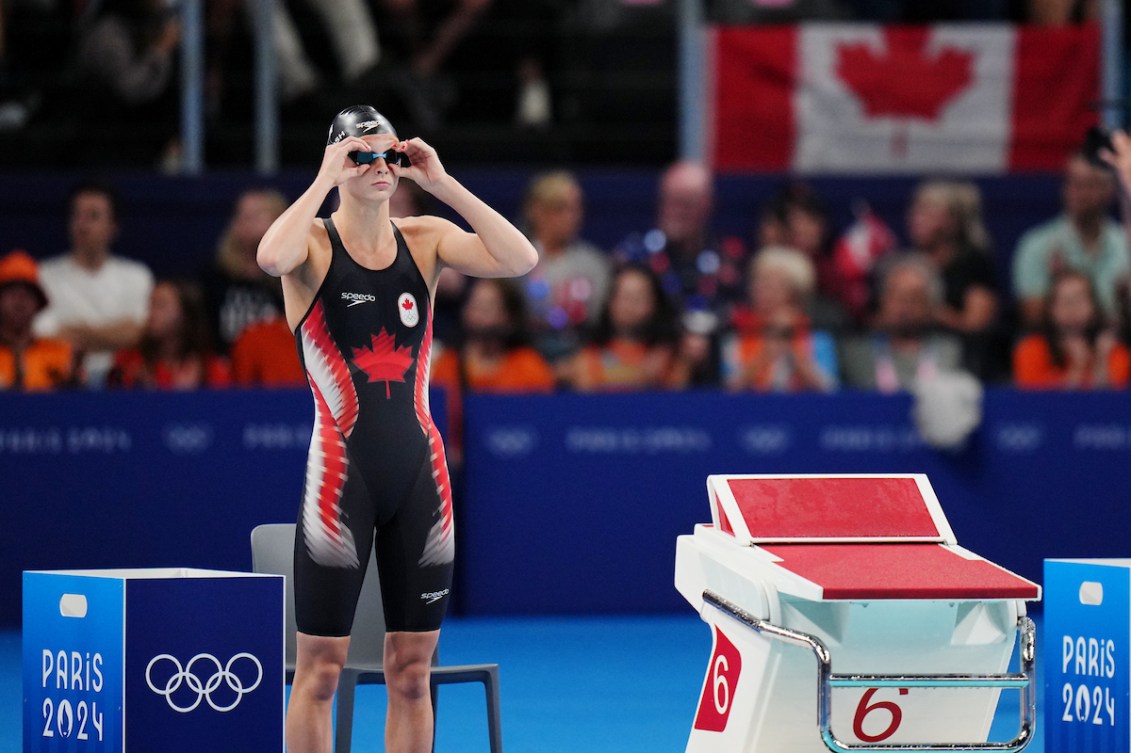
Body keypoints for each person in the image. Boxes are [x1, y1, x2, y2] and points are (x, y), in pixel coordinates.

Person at [255, 104, 536, 753]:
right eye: (361, 155)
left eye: (388, 154)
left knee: (412, 674)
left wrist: (441, 181)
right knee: (320, 670)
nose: (378, 166)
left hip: (420, 473)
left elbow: (520, 258)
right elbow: (271, 256)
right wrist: (326, 175)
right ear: (336, 163)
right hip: (339, 477)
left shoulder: (426, 236)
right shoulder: (313, 245)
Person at [33, 181, 154, 388]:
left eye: (93, 216)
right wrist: (115, 333)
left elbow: (140, 333)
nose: (82, 224)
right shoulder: (43, 275)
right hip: (59, 384)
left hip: (123, 385)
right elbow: (43, 335)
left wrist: (74, 332)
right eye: (77, 215)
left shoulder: (137, 276)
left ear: (113, 227)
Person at [431, 277, 554, 461]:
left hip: (517, 461)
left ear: (509, 318)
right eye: (474, 306)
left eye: (487, 309)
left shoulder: (529, 366)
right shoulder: (448, 364)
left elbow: (544, 427)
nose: (477, 316)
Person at [614, 160, 748, 321]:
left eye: (684, 203)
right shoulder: (635, 258)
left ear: (707, 205)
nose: (673, 211)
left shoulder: (729, 258)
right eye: (668, 200)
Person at [1012, 150, 1129, 330]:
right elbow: (1032, 319)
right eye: (1072, 182)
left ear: (1109, 189)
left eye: (1088, 184)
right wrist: (1059, 286)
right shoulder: (1037, 245)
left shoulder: (1125, 245)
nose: (1077, 193)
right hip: (1057, 352)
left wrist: (1123, 300)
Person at [905, 179, 1007, 380]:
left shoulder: (974, 264)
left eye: (928, 211)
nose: (916, 218)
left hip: (962, 364)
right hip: (913, 358)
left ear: (953, 221)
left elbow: (975, 326)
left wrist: (931, 313)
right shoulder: (908, 264)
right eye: (916, 210)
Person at [518, 170, 611, 363]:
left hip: (582, 359)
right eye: (560, 208)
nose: (572, 216)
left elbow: (599, 324)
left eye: (576, 208)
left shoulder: (595, 264)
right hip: (524, 360)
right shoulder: (515, 261)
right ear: (535, 210)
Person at [840, 255, 966, 392]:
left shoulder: (951, 353)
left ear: (931, 306)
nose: (904, 307)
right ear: (882, 301)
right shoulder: (855, 354)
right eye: (896, 297)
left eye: (914, 298)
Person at [723, 246, 838, 393]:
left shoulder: (817, 336)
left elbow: (829, 390)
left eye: (774, 286)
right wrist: (765, 355)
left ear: (795, 294)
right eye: (760, 283)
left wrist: (790, 346)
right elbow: (727, 390)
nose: (764, 291)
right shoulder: (736, 333)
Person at [560, 264, 679, 392]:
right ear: (610, 302)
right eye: (624, 297)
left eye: (639, 298)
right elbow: (586, 388)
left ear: (656, 304)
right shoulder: (588, 356)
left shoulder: (669, 357)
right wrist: (643, 376)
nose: (630, 306)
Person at [199, 187, 289, 353]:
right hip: (228, 369)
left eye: (256, 214)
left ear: (279, 219)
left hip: (276, 368)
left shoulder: (290, 274)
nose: (245, 221)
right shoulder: (216, 274)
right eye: (241, 214)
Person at [1013, 270, 1130, 389]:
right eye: (1063, 300)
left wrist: (1101, 362)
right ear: (1050, 308)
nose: (1072, 308)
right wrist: (1076, 369)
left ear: (1094, 305)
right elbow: (1034, 402)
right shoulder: (1031, 349)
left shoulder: (1112, 350)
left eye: (1079, 299)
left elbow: (1113, 402)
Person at [109, 279, 231, 389]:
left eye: (161, 305)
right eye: (151, 305)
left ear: (186, 314)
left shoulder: (211, 368)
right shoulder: (129, 361)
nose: (151, 313)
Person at [0, 250, 75, 390]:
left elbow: (80, 402)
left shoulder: (60, 352)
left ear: (38, 304)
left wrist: (74, 381)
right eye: (12, 293)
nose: (20, 302)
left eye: (27, 294)